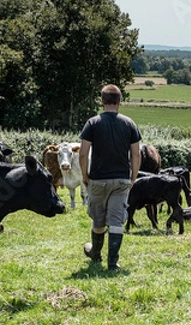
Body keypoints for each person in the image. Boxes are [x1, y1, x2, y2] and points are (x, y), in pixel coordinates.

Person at [79, 84, 141, 270]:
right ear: (119, 102)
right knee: (116, 221)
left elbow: (83, 153)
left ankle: (95, 254)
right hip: (121, 179)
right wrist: (133, 177)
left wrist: (85, 175)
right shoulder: (129, 123)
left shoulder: (93, 123)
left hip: (98, 179)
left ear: (102, 101)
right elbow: (136, 154)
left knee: (98, 220)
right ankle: (113, 263)